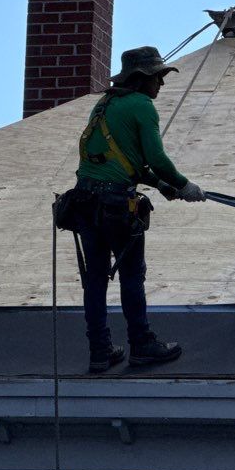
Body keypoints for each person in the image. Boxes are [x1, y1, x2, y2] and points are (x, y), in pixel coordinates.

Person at [73, 45, 205, 373]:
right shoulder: (142, 106)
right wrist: (183, 184)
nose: (161, 84)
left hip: (86, 203)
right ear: (142, 78)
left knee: (96, 280)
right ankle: (142, 344)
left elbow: (124, 160)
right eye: (157, 78)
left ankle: (100, 351)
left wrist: (160, 186)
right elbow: (156, 159)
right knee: (132, 275)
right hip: (117, 206)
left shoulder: (104, 106)